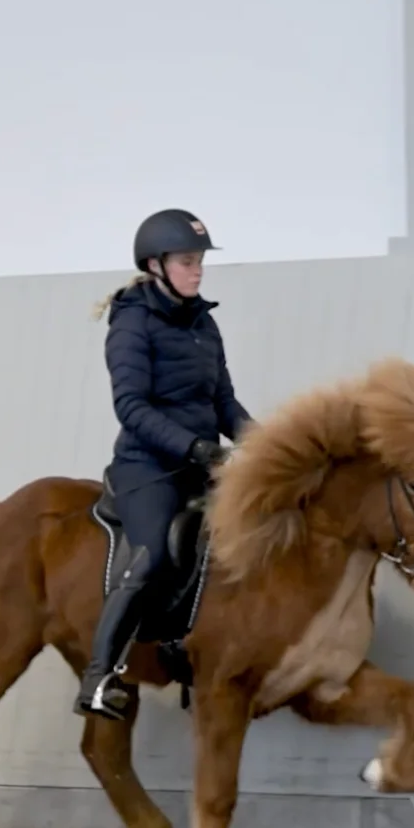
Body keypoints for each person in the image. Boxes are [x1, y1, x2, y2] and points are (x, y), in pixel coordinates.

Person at [75, 208, 254, 720]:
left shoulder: (204, 323)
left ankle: (189, 648)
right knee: (154, 553)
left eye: (199, 262)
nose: (197, 272)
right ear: (156, 265)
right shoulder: (132, 322)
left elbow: (224, 402)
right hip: (147, 468)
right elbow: (131, 407)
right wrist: (193, 447)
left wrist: (268, 445)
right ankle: (98, 677)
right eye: (187, 262)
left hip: (202, 465)